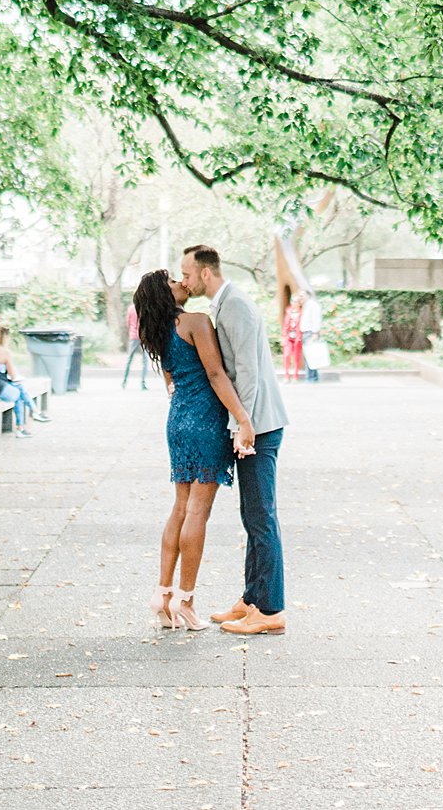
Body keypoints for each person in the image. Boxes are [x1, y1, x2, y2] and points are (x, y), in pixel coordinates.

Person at [133, 270, 255, 633]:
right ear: (163, 293)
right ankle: (186, 601)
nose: (181, 283)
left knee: (181, 508)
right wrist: (242, 418)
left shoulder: (154, 332)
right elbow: (216, 375)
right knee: (198, 511)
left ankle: (163, 594)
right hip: (205, 422)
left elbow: (172, 382)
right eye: (173, 280)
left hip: (178, 421)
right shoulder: (196, 322)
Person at [181, 243, 288, 636]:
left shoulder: (236, 305)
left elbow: (248, 371)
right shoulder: (223, 305)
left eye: (188, 274)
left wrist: (243, 426)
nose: (185, 280)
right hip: (250, 424)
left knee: (262, 516)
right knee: (252, 515)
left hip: (258, 426)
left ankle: (272, 609)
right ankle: (251, 599)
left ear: (206, 273)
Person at [0, 322, 49, 437]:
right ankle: (23, 426)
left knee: (18, 389)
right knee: (18, 394)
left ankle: (35, 412)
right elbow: (13, 376)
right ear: (6, 338)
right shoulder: (5, 352)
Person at [122, 300, 148, 390]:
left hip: (133, 337)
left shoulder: (130, 308)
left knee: (129, 360)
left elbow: (128, 323)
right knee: (145, 361)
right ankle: (143, 383)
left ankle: (124, 382)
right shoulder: (144, 308)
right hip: (142, 337)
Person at [281, 293, 304, 384]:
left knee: (296, 358)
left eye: (296, 301)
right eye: (293, 301)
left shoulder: (302, 313)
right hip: (288, 338)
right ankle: (286, 376)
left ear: (299, 303)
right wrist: (284, 337)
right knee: (286, 356)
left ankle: (295, 376)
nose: (294, 303)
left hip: (298, 338)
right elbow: (285, 326)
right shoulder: (289, 312)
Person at [301, 293, 323, 383]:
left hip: (310, 333)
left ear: (307, 295)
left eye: (302, 295)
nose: (300, 297)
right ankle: (312, 377)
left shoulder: (312, 305)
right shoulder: (307, 305)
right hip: (306, 333)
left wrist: (315, 333)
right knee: (309, 356)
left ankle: (311, 378)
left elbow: (316, 320)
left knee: (311, 356)